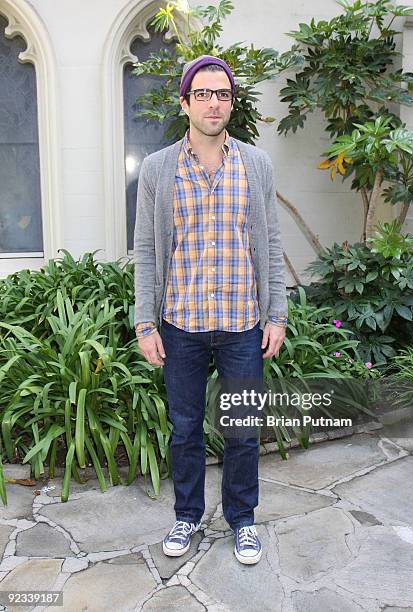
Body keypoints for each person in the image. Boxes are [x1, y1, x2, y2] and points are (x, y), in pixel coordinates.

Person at [133, 55, 287, 565]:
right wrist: (145, 323)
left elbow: (270, 244)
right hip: (181, 326)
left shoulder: (256, 164)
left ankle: (242, 519)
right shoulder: (159, 169)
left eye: (221, 94)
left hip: (243, 325)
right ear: (185, 102)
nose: (213, 103)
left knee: (243, 430)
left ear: (231, 102)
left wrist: (278, 315)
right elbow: (148, 254)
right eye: (202, 94)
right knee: (185, 429)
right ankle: (187, 516)